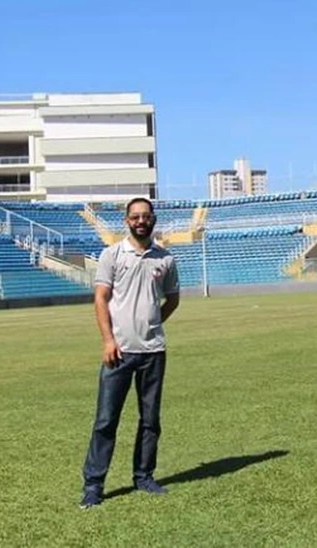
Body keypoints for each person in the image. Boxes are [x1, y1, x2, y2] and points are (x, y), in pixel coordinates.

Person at [80, 197, 181, 509]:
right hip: (119, 352)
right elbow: (100, 299)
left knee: (150, 420)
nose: (141, 221)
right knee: (106, 420)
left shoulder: (165, 259)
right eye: (135, 216)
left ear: (153, 220)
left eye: (146, 216)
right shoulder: (112, 255)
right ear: (127, 221)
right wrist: (109, 340)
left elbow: (173, 300)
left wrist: (151, 324)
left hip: (153, 352)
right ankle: (94, 485)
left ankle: (144, 476)